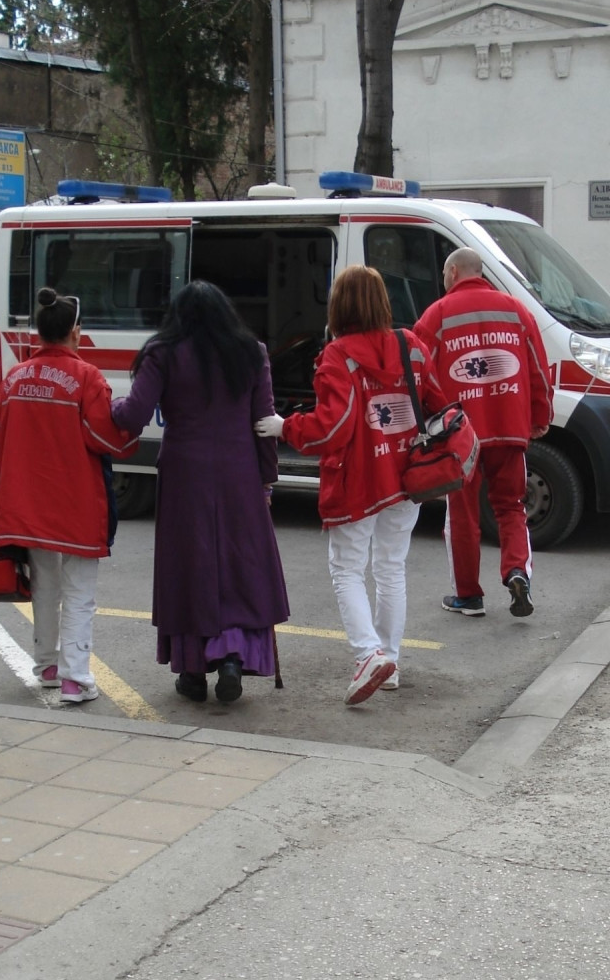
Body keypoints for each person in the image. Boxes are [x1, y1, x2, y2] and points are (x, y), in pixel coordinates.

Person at [255, 264, 447, 706]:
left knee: (347, 570)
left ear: (339, 305)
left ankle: (368, 656)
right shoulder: (412, 346)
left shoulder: (337, 356)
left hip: (359, 480)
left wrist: (285, 427)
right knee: (390, 569)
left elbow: (332, 428)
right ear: (382, 301)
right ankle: (389, 660)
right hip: (408, 478)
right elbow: (438, 406)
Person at [110, 280, 289, 704]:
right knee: (238, 565)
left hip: (184, 473)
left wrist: (110, 402)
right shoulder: (252, 353)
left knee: (189, 567)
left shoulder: (162, 352)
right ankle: (232, 656)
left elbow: (133, 415)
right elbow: (264, 422)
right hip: (239, 471)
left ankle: (192, 672)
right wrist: (266, 478)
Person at [0, 288, 137, 705]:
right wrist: (130, 422)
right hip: (77, 503)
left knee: (43, 585)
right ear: (76, 331)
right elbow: (105, 437)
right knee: (80, 591)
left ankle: (46, 667)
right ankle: (76, 678)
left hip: (28, 504)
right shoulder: (87, 377)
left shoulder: (15, 377)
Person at [415, 247, 553, 619]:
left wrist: (423, 425)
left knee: (461, 515)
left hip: (461, 436)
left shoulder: (437, 314)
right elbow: (539, 368)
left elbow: (417, 373)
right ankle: (516, 572)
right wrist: (540, 415)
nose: (443, 281)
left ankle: (468, 596)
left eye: (445, 274)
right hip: (509, 429)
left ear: (454, 271)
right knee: (512, 507)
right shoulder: (515, 309)